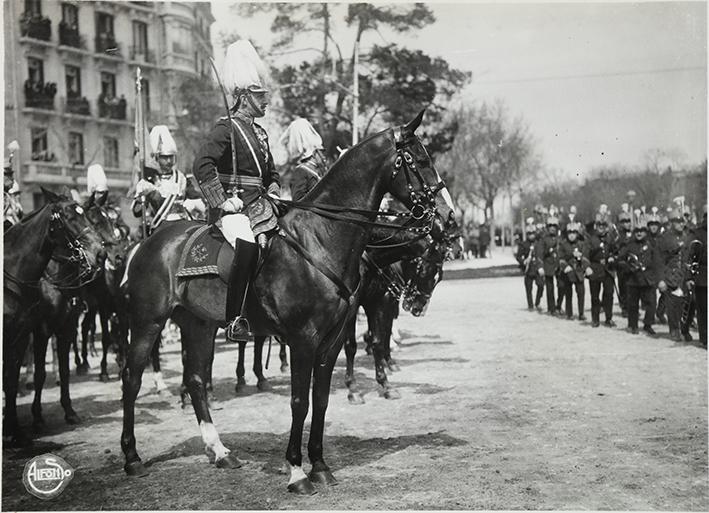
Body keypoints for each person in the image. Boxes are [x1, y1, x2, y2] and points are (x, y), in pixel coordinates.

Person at [192, 39, 281, 342]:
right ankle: (235, 320)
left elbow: (271, 173)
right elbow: (202, 164)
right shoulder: (225, 128)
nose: (266, 100)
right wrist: (222, 200)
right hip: (234, 208)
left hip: (262, 204)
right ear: (244, 96)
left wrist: (274, 188)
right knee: (247, 244)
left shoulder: (261, 132)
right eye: (260, 95)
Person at [132, 125, 188, 233]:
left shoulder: (181, 177)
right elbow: (137, 212)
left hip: (182, 224)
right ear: (156, 158)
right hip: (159, 227)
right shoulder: (149, 179)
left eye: (171, 157)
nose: (168, 161)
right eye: (164, 157)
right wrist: (142, 196)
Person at [618, 215, 660, 335]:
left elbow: (656, 260)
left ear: (646, 232)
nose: (639, 233)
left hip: (648, 278)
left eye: (642, 231)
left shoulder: (651, 244)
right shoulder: (629, 245)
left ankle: (648, 324)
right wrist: (629, 267)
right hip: (634, 279)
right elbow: (620, 260)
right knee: (633, 304)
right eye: (637, 231)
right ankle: (633, 325)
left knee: (652, 303)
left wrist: (657, 276)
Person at [655, 209, 688, 342]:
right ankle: (674, 329)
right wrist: (661, 280)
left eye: (682, 221)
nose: (681, 224)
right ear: (672, 223)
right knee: (672, 306)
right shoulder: (665, 239)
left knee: (685, 305)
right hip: (671, 276)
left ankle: (683, 329)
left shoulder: (687, 236)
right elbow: (658, 261)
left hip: (684, 275)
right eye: (678, 221)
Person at [280, 117, 328, 201]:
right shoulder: (301, 172)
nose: (324, 156)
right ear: (313, 153)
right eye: (321, 151)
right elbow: (299, 204)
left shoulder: (319, 170)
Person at [587, 211, 618, 327]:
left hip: (608, 270)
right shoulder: (591, 239)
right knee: (595, 296)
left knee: (609, 294)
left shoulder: (610, 238)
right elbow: (586, 254)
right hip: (595, 269)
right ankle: (595, 319)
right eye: (599, 225)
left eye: (604, 225)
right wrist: (587, 267)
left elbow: (616, 252)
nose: (601, 227)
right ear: (596, 226)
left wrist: (612, 258)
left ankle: (608, 318)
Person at [558, 221, 591, 320]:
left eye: (574, 233)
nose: (571, 235)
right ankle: (569, 313)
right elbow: (560, 258)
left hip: (579, 271)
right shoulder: (563, 244)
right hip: (568, 271)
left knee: (581, 293)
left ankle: (581, 313)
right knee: (568, 293)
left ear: (577, 234)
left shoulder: (581, 244)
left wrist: (586, 266)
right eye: (569, 233)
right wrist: (565, 266)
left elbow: (585, 256)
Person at [684, 206, 706, 346]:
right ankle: (705, 338)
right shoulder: (697, 234)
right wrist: (689, 277)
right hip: (703, 277)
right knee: (704, 309)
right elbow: (689, 258)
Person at [535, 214, 561, 316]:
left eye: (554, 226)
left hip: (559, 265)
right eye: (550, 226)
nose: (552, 228)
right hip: (548, 265)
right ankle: (552, 308)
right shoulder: (543, 239)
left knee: (562, 287)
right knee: (550, 288)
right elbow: (539, 254)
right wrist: (540, 266)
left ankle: (559, 305)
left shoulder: (560, 239)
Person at [515, 220, 543, 310]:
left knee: (541, 285)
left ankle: (537, 302)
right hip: (528, 268)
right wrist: (523, 261)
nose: (531, 235)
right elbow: (518, 256)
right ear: (527, 234)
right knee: (528, 288)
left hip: (537, 268)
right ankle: (530, 305)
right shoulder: (523, 244)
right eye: (529, 233)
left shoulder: (538, 243)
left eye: (533, 233)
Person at [615, 205, 633, 317]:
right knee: (623, 286)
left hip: (631, 263)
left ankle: (631, 306)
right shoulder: (617, 235)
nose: (627, 224)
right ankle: (624, 307)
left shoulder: (633, 233)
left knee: (631, 286)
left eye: (628, 221)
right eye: (624, 221)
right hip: (621, 263)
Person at [4, 140, 23, 230]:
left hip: (13, 222)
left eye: (10, 174)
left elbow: (17, 208)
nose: (10, 177)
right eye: (7, 175)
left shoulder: (13, 186)